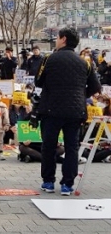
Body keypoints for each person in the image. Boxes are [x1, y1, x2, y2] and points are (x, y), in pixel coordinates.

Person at [31, 27, 101, 195]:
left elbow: (38, 82)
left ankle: (48, 182)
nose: (56, 39)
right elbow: (95, 87)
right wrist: (79, 94)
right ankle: (67, 185)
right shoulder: (85, 62)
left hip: (51, 109)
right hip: (75, 111)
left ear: (63, 39)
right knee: (72, 148)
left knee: (49, 146)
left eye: (57, 37)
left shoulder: (49, 59)